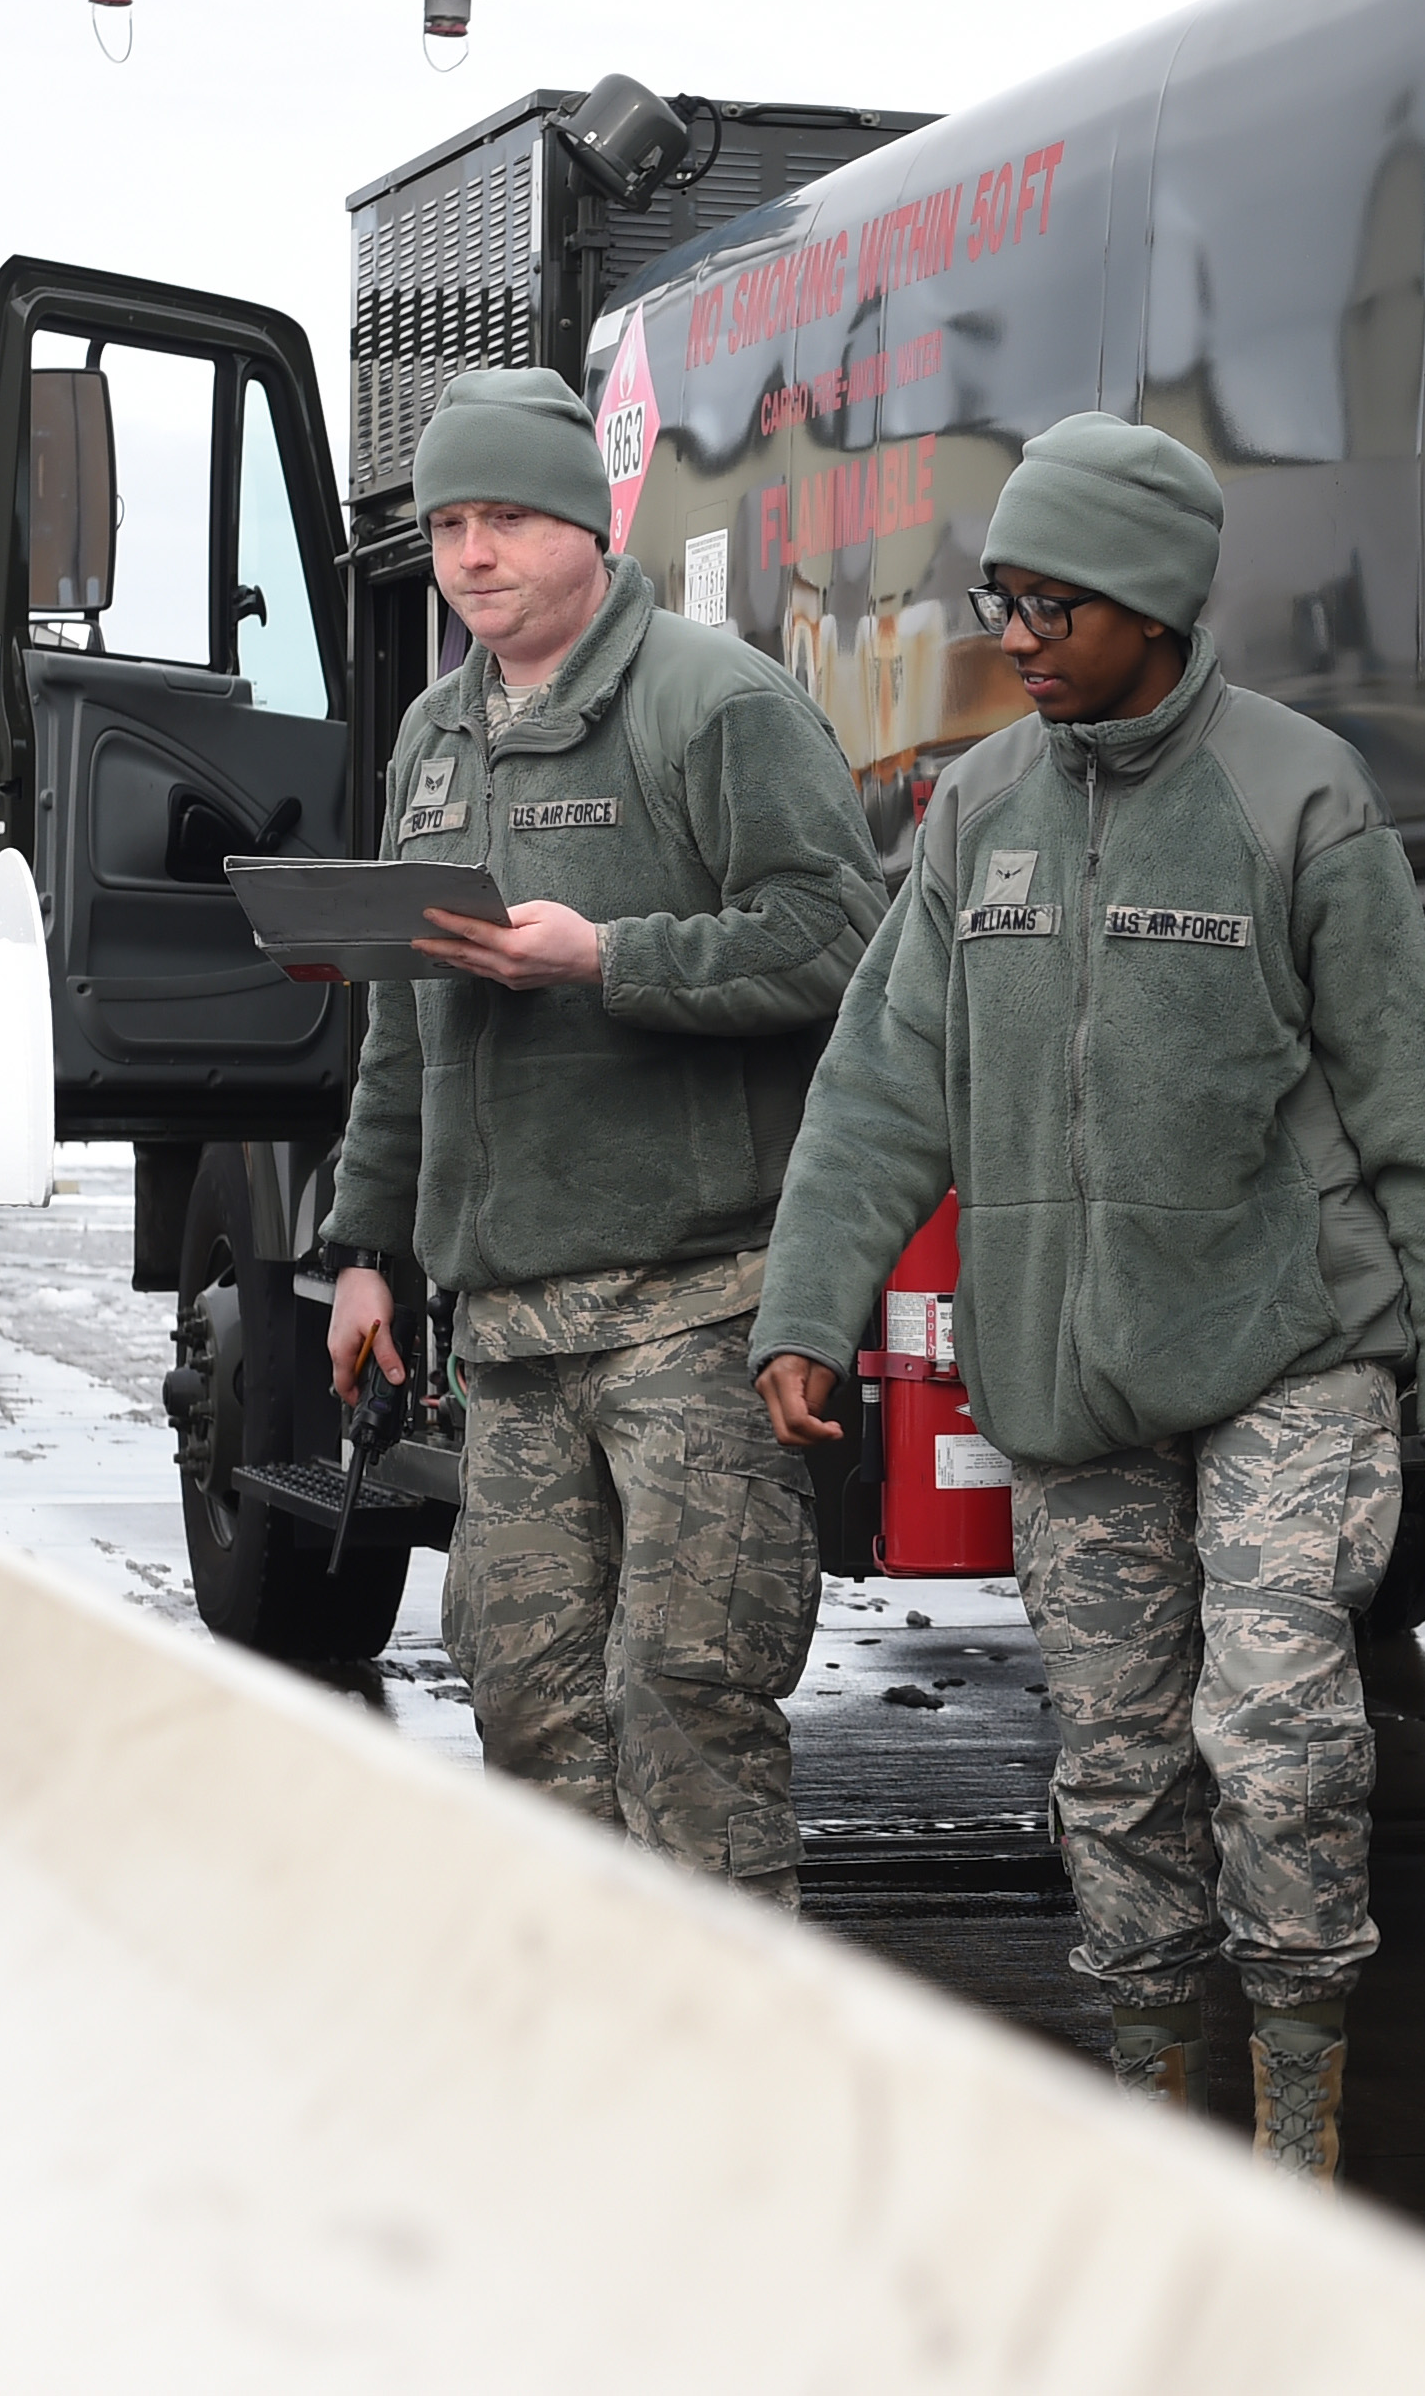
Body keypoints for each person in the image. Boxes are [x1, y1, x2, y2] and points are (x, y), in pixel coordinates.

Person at [749, 412, 1425, 2181]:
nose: (1010, 632)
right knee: (1110, 1767)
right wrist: (811, 1305)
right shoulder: (980, 811)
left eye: (1047, 601)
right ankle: (1157, 2118)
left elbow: (1421, 1103)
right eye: (997, 596)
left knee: (1277, 1742)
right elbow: (881, 1079)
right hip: (1068, 1371)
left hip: (1290, 1347)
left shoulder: (1297, 796)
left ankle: (1303, 2126)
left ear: (1155, 606)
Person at [319, 365, 884, 1907]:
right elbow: (397, 1018)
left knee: (688, 1699)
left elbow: (845, 944)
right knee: (524, 1699)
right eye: (446, 525)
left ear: (586, 521)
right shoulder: (434, 738)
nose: (471, 556)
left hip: (692, 1307)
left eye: (504, 518)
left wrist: (609, 958)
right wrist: (363, 1250)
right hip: (508, 1326)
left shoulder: (715, 703)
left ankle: (729, 2081)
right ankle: (593, 2075)